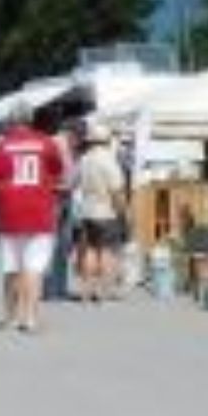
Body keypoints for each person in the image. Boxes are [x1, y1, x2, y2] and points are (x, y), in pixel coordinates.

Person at [0, 104, 68, 334]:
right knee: (34, 267)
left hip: (9, 213)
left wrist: (1, 188)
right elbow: (59, 176)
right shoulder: (47, 143)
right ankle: (29, 318)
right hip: (40, 211)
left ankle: (9, 317)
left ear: (10, 121)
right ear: (31, 120)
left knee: (11, 267)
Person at [70, 125, 130, 302]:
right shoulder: (109, 161)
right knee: (106, 250)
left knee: (89, 250)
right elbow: (116, 191)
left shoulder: (84, 159)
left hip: (87, 211)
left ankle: (86, 290)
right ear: (107, 141)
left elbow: (74, 183)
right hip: (106, 211)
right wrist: (123, 212)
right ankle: (103, 290)